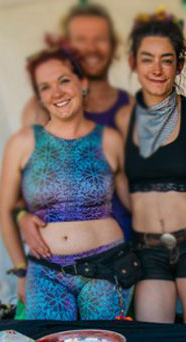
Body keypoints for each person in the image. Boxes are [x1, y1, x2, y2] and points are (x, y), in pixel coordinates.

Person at [0, 47, 132, 320]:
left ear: (82, 84)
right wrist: (21, 270)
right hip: (45, 274)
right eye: (45, 87)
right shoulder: (22, 143)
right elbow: (5, 210)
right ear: (40, 97)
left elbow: (136, 202)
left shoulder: (111, 140)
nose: (56, 92)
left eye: (64, 80)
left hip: (106, 269)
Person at [113, 10, 186, 323]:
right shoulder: (121, 120)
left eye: (166, 60)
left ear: (179, 65)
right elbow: (119, 183)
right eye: (147, 59)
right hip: (147, 249)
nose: (157, 69)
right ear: (133, 63)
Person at [19, 2, 133, 251]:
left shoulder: (130, 107)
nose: (91, 48)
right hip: (59, 260)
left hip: (127, 246)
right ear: (66, 46)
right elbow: (21, 186)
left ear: (113, 45)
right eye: (81, 39)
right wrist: (21, 217)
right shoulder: (39, 110)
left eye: (100, 39)